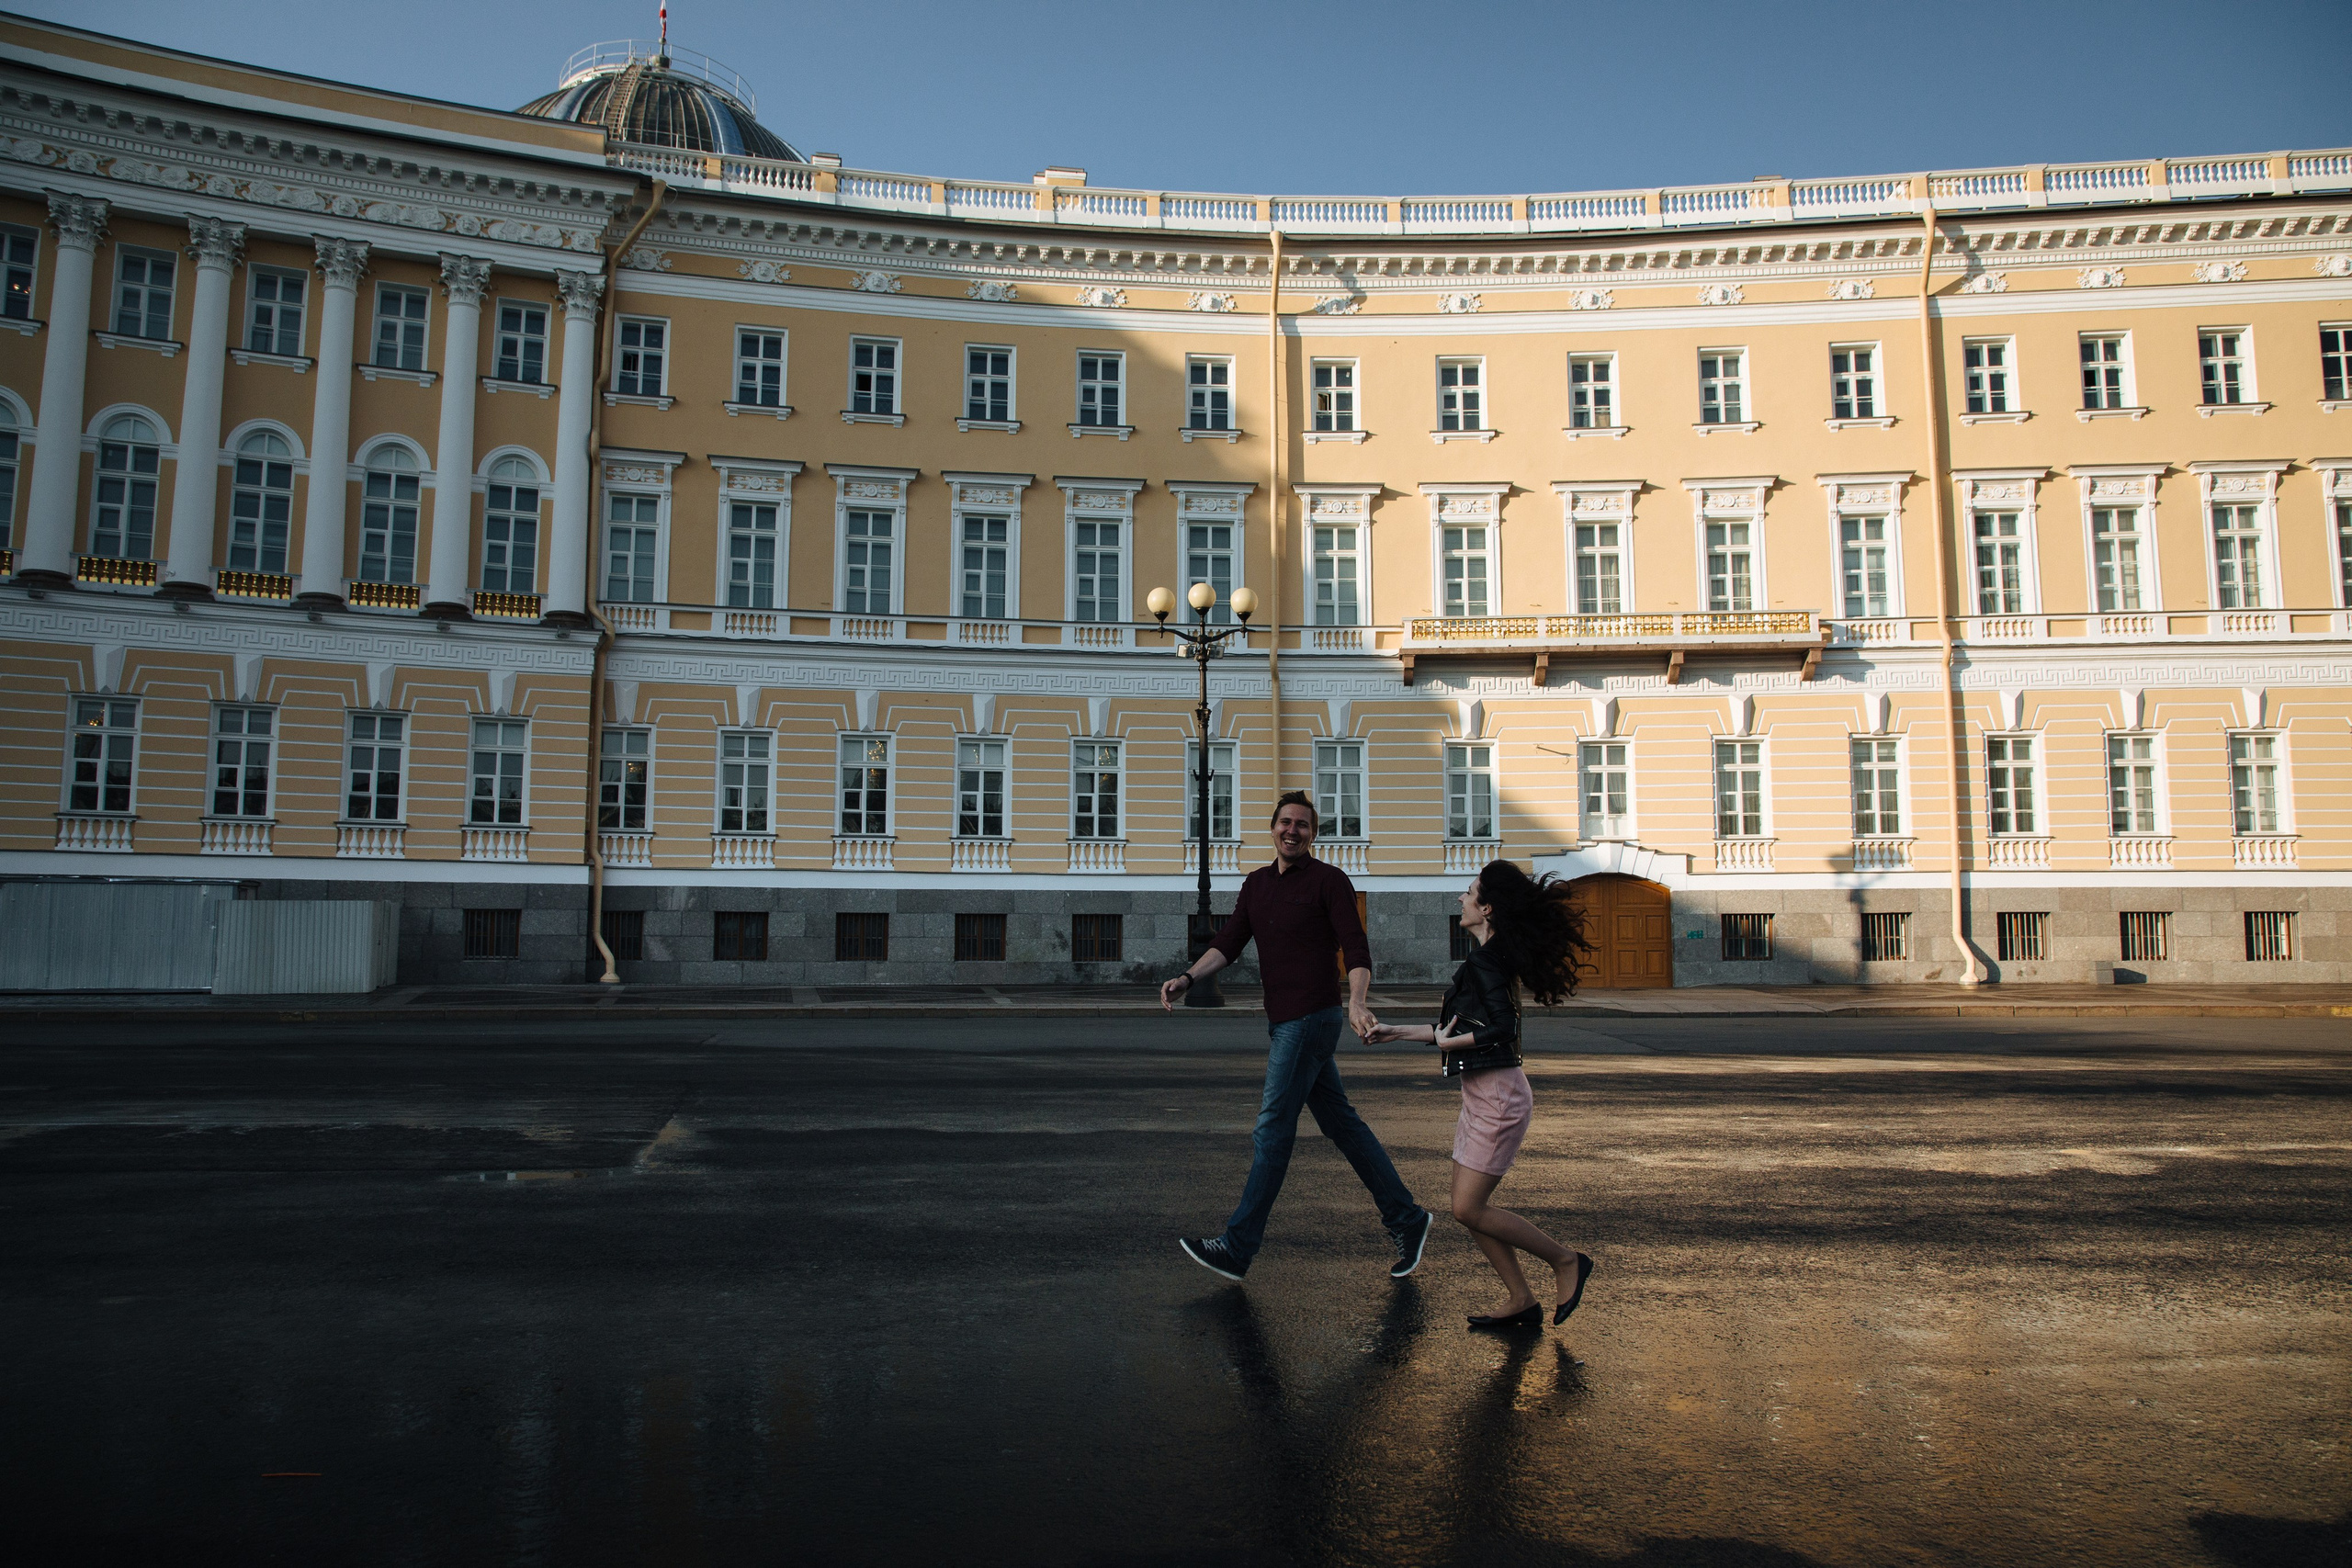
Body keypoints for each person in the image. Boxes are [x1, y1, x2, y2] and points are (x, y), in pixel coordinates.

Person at [1161, 791, 1433, 1283]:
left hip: (1312, 1019)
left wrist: (1356, 1000)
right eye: (1285, 823)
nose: (1293, 831)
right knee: (1343, 1126)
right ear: (1272, 828)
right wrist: (1187, 979)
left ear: (1313, 834)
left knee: (1271, 1129)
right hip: (1285, 1021)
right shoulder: (1256, 884)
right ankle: (1408, 1219)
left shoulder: (1330, 881)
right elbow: (1228, 943)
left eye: (1303, 825)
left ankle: (1238, 1247)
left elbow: (1356, 946)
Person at [1364, 860, 1595, 1330]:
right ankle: (1520, 1299)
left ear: (1487, 909)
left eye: (1469, 893)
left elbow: (1500, 1029)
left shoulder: (1486, 961)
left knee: (1468, 1208)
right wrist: (1395, 1032)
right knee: (1471, 1211)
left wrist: (1451, 1042)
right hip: (1482, 1095)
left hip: (1499, 1099)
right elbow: (1456, 1030)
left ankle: (1567, 1261)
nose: (1461, 900)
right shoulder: (1490, 958)